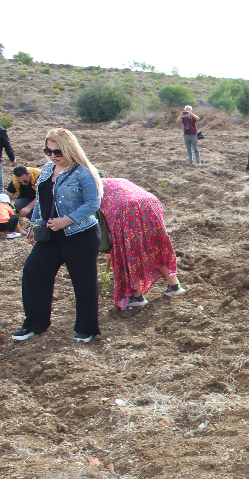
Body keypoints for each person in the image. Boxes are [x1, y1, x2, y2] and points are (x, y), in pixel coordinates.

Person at [13, 128, 103, 343]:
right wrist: (35, 226)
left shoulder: (84, 172)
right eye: (48, 151)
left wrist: (67, 220)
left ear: (69, 149)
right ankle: (35, 324)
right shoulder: (46, 170)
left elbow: (93, 203)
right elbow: (41, 202)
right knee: (33, 273)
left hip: (80, 234)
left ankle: (86, 329)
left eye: (57, 151)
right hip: (50, 236)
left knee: (83, 282)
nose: (52, 156)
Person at [99, 178, 185, 310]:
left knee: (130, 251)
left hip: (127, 209)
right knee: (153, 247)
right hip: (151, 203)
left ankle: (137, 296)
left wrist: (110, 248)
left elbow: (101, 225)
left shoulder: (90, 188)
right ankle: (174, 285)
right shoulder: (116, 181)